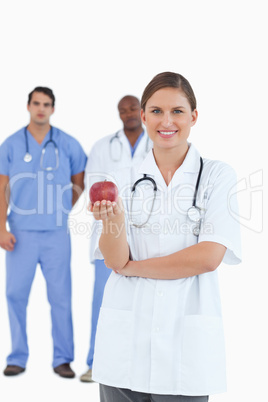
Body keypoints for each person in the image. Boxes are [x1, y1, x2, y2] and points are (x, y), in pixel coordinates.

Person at [90, 72, 242, 401]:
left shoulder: (216, 175)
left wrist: (133, 268)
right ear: (143, 116)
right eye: (157, 111)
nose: (166, 121)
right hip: (124, 345)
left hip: (184, 351)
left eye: (177, 111)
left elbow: (208, 257)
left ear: (193, 116)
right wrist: (112, 222)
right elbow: (115, 260)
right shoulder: (120, 179)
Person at [0, 87, 87, 378]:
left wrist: (61, 209)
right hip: (20, 234)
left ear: (53, 108)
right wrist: (1, 228)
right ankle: (17, 356)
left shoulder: (67, 143)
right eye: (36, 103)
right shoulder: (11, 144)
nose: (41, 108)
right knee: (15, 295)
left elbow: (79, 182)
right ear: (28, 106)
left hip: (55, 234)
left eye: (46, 104)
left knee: (61, 297)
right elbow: (2, 190)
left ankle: (63, 358)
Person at [80, 95, 152, 382]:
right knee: (104, 303)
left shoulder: (158, 142)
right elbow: (92, 186)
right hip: (108, 234)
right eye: (123, 110)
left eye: (133, 108)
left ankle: (137, 365)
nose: (128, 114)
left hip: (147, 235)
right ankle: (95, 362)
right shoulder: (102, 147)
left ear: (143, 111)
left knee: (145, 305)